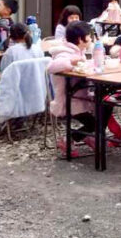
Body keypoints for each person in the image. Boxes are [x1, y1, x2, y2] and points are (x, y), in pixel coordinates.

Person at [47, 21, 115, 151]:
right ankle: (70, 139)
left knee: (108, 104)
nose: (90, 39)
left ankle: (91, 136)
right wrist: (71, 61)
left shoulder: (79, 51)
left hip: (84, 96)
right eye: (89, 36)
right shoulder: (65, 52)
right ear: (80, 39)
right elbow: (51, 66)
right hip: (69, 100)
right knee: (95, 124)